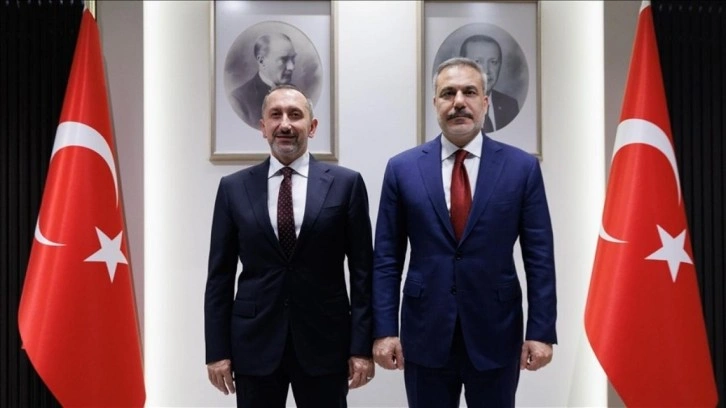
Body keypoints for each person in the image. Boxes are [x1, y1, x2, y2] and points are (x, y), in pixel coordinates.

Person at [372, 57, 556, 407]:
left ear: (485, 102)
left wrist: (541, 331)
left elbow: (540, 257)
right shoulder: (402, 169)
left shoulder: (521, 168)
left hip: (496, 331)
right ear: (435, 104)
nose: (458, 102)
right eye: (448, 93)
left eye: (469, 92)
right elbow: (386, 259)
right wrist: (384, 330)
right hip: (425, 332)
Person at [205, 84, 375, 407]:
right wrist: (217, 351)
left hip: (325, 343)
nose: (285, 124)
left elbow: (363, 273)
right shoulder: (233, 188)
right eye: (276, 115)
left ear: (312, 127)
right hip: (254, 344)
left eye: (295, 115)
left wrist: (361, 347)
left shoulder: (346, 185)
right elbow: (219, 277)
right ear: (263, 127)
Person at [231, 33, 297, 129]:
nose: (291, 67)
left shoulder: (298, 94)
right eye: (283, 60)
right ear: (261, 61)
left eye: (293, 59)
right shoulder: (239, 100)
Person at [460, 34, 520, 132]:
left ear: (500, 65)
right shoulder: (452, 106)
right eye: (478, 61)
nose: (486, 70)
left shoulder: (510, 105)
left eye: (493, 62)